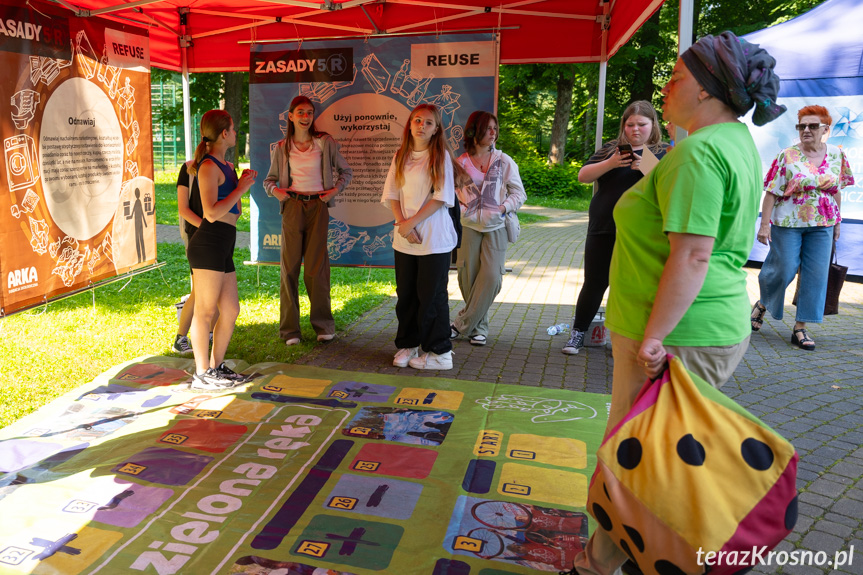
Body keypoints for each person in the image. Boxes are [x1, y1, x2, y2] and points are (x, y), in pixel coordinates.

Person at [571, 31, 786, 575]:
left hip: (675, 337)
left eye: (677, 78)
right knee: (644, 466)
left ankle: (601, 565)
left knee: (639, 472)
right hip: (691, 330)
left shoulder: (698, 152)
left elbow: (691, 256)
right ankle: (599, 562)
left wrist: (653, 337)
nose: (665, 87)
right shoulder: (732, 142)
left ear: (709, 93)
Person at [561, 101, 667, 355]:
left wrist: (645, 166)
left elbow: (669, 186)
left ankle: (628, 340)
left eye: (641, 124)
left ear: (653, 125)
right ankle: (578, 334)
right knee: (595, 282)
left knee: (633, 286)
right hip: (604, 226)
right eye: (630, 125)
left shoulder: (663, 152)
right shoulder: (611, 149)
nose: (635, 130)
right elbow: (583, 175)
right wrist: (610, 163)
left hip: (641, 232)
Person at [750, 105, 854, 351]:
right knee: (784, 268)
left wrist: (838, 222)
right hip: (788, 222)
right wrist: (764, 224)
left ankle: (800, 327)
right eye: (802, 126)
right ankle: (763, 303)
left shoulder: (837, 155)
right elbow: (771, 192)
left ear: (826, 129)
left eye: (813, 126)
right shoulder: (787, 155)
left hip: (823, 224)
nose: (806, 130)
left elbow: (835, 191)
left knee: (816, 275)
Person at [264, 95, 353, 346]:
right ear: (290, 116)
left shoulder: (324, 143)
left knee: (317, 269)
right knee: (289, 268)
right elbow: (268, 181)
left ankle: (323, 325)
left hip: (318, 206)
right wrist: (277, 192)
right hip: (292, 206)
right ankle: (290, 331)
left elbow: (346, 171)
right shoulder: (282, 148)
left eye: (310, 113)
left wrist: (333, 191)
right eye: (300, 112)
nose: (305, 117)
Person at [381, 103, 457, 370]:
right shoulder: (401, 154)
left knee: (432, 295)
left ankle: (440, 353)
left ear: (436, 129)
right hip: (404, 239)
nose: (421, 126)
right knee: (407, 295)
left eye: (428, 122)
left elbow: (441, 198)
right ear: (409, 124)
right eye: (417, 120)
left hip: (433, 240)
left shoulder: (441, 157)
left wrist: (411, 223)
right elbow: (391, 193)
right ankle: (408, 344)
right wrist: (403, 224)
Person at [186, 109, 257, 391]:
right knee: (204, 312)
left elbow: (234, 209)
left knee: (231, 309)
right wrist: (240, 188)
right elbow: (211, 213)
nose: (236, 134)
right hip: (208, 244)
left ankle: (215, 367)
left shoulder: (226, 166)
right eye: (234, 129)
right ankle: (201, 373)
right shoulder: (208, 167)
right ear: (224, 133)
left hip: (224, 243)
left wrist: (241, 185)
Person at [450, 111, 525, 346]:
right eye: (488, 128)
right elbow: (450, 196)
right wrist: (463, 210)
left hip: (497, 226)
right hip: (468, 225)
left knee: (492, 277)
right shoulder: (459, 163)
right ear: (475, 131)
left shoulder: (504, 161)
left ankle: (461, 324)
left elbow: (519, 193)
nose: (493, 133)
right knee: (467, 276)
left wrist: (502, 208)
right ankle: (479, 328)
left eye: (495, 128)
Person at [172, 161, 217, 355]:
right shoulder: (189, 168)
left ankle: (209, 335)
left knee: (218, 290)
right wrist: (206, 228)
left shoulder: (226, 167)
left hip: (219, 237)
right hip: (198, 237)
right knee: (200, 290)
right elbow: (184, 209)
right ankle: (181, 338)